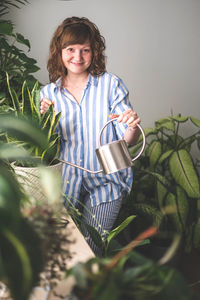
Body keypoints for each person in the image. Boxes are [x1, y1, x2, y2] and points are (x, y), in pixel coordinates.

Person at [40, 16, 141, 255]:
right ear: (59, 51)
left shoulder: (110, 85)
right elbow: (45, 146)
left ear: (94, 52)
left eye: (85, 50)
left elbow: (128, 141)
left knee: (90, 250)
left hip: (107, 180)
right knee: (61, 252)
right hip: (65, 183)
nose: (78, 57)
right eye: (71, 49)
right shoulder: (48, 94)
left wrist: (132, 126)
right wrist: (43, 120)